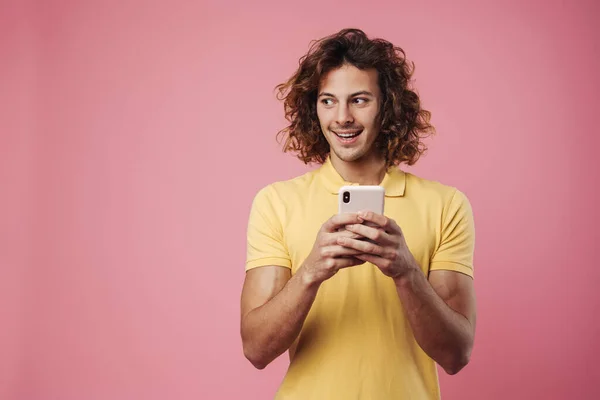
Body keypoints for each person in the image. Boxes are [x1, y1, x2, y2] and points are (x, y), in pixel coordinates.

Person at [240, 28, 476, 400]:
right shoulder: (277, 202)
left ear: (387, 105)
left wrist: (406, 271)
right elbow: (256, 349)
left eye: (360, 100)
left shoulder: (445, 204)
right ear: (313, 109)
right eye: (328, 101)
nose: (343, 117)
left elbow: (456, 353)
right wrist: (312, 271)